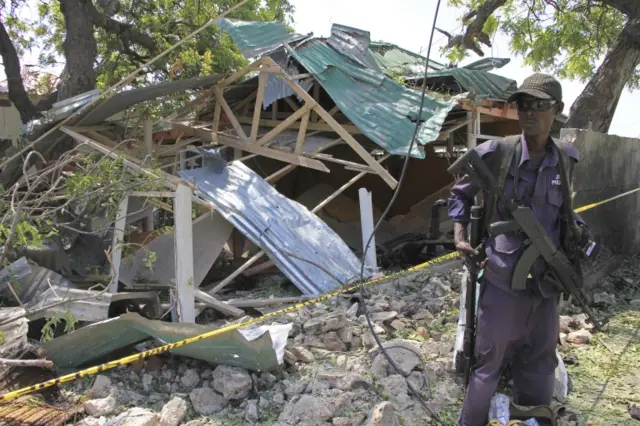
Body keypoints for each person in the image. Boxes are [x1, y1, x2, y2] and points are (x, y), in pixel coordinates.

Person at [447, 73, 590, 426]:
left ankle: (532, 421)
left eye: (540, 105)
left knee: (540, 366)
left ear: (556, 110)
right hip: (503, 282)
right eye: (524, 104)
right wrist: (460, 235)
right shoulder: (498, 153)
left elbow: (564, 214)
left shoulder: (565, 161)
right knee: (487, 368)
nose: (529, 112)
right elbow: (459, 193)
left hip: (545, 289)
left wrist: (578, 238)